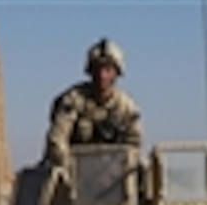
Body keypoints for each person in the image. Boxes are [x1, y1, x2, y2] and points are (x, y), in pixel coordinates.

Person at [41, 38, 142, 168]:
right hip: (73, 173)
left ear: (117, 73)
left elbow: (133, 147)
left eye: (108, 70)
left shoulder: (126, 108)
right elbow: (57, 140)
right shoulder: (73, 100)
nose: (102, 76)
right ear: (90, 71)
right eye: (97, 69)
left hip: (112, 177)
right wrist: (67, 167)